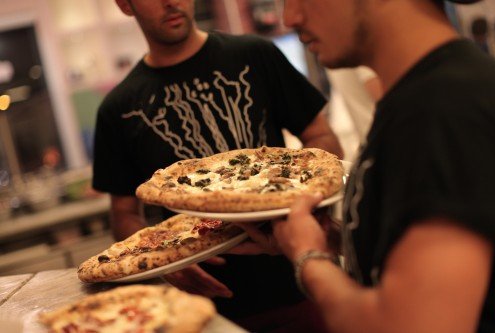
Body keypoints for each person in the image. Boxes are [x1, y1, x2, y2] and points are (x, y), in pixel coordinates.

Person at [238, 0, 495, 331]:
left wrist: (308, 259)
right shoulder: (420, 98)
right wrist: (339, 240)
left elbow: (404, 326)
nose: (289, 18)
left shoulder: (443, 108)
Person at [92, 0, 343, 329]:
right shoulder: (118, 108)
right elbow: (123, 213)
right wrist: (160, 261)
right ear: (126, 5)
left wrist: (303, 204)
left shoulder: (255, 54)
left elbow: (321, 136)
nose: (171, 2)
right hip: (203, 311)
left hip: (297, 280)